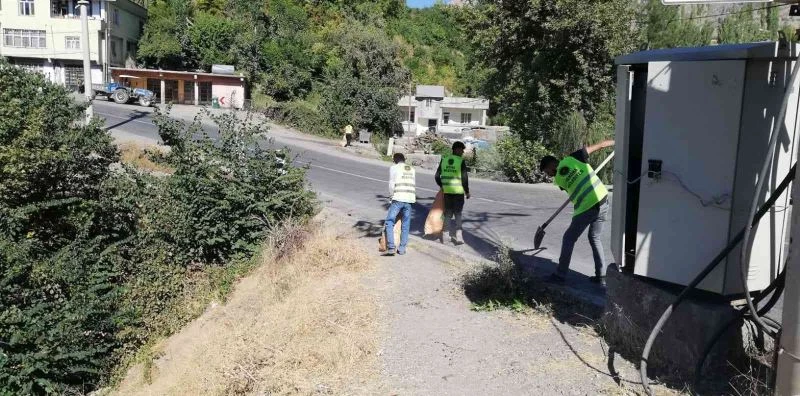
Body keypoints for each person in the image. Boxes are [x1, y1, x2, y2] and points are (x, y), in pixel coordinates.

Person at [539, 140, 615, 286]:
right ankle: (601, 275)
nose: (548, 175)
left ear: (551, 165)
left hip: (587, 208)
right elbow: (601, 145)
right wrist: (618, 141)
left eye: (547, 172)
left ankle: (560, 275)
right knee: (594, 237)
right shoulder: (574, 158)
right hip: (603, 201)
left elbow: (571, 183)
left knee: (568, 239)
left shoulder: (559, 179)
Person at [435, 141, 470, 245]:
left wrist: (442, 186)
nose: (462, 152)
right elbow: (464, 178)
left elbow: (437, 176)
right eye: (461, 150)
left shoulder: (444, 160)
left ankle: (445, 237)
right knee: (458, 213)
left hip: (447, 192)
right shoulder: (460, 161)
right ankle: (459, 236)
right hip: (458, 192)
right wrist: (467, 191)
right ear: (456, 149)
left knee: (448, 214)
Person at [384, 153, 416, 255]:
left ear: (395, 160)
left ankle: (391, 247)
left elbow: (391, 184)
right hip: (409, 199)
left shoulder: (394, 168)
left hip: (398, 198)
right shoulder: (412, 169)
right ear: (404, 159)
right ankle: (402, 249)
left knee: (389, 221)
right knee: (405, 224)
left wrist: (391, 196)